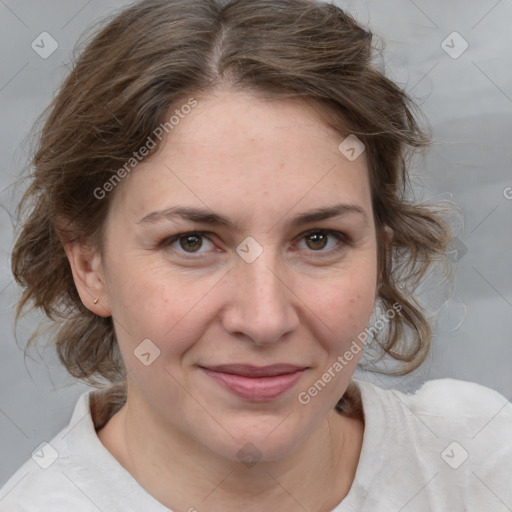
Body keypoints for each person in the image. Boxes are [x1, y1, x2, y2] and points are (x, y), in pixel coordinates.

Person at [1, 0, 510, 510]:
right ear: (89, 267)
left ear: (380, 255)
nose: (265, 320)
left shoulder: (478, 462)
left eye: (319, 239)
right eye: (192, 242)